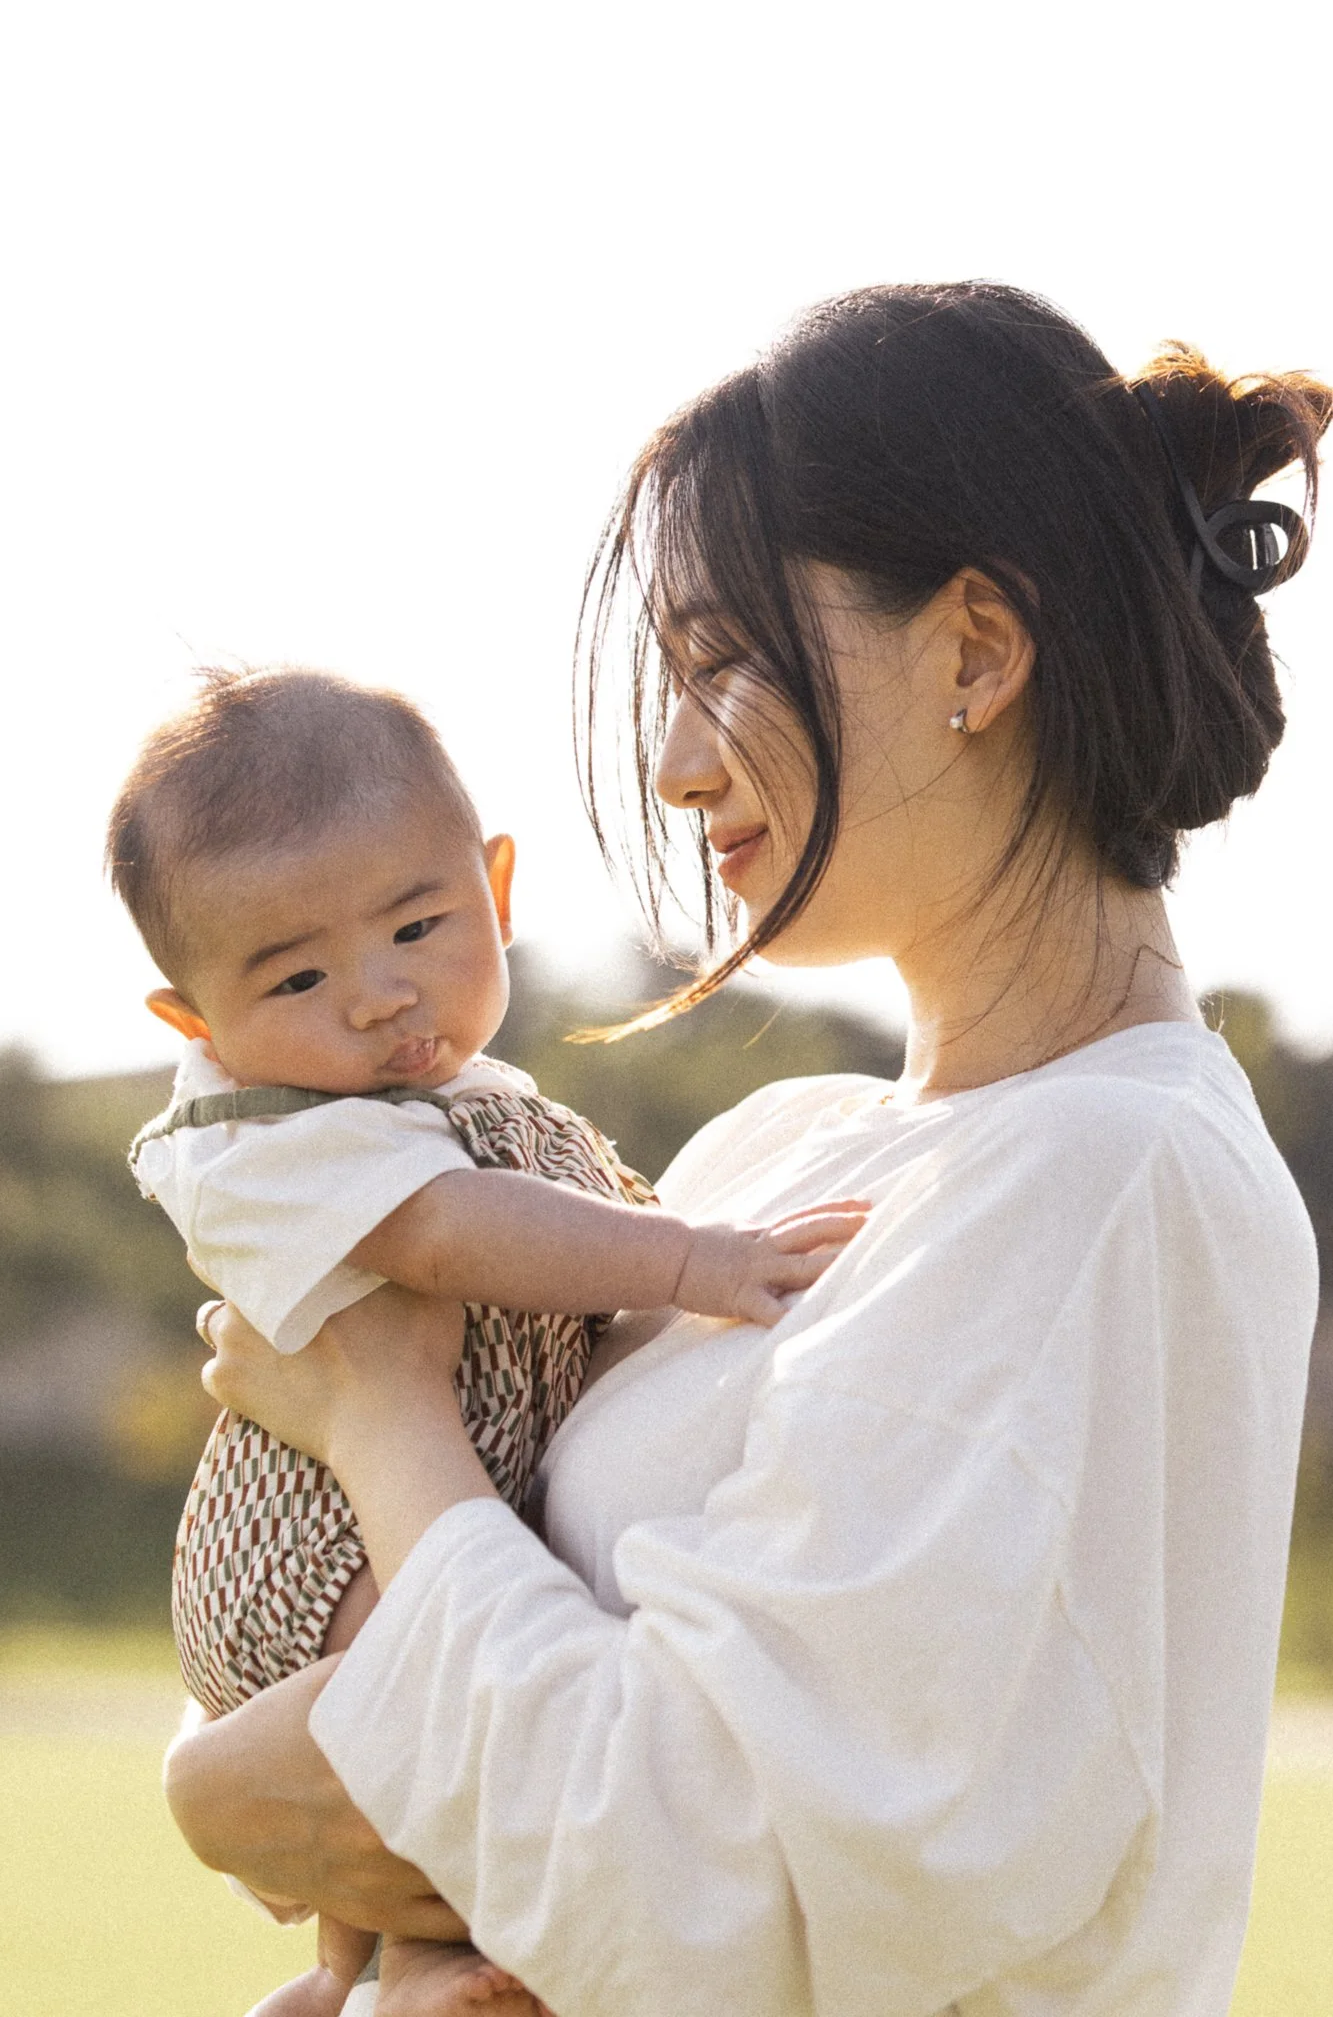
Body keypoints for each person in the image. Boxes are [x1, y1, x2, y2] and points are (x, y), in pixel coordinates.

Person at [164, 283, 1330, 2017]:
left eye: (724, 663)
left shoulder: (1104, 1184)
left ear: (975, 653)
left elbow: (678, 1880)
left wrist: (373, 1408)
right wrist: (219, 1783)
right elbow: (452, 1687)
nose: (675, 758)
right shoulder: (767, 1157)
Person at [108, 666, 863, 2016]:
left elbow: (561, 1245)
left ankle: (341, 1978)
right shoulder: (266, 1137)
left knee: (445, 1722)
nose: (379, 996)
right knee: (457, 1719)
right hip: (309, 1540)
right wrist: (695, 1258)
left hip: (416, 1490)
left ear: (493, 886)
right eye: (297, 976)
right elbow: (455, 1239)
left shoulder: (467, 1092)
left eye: (417, 926)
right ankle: (419, 1972)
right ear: (197, 1024)